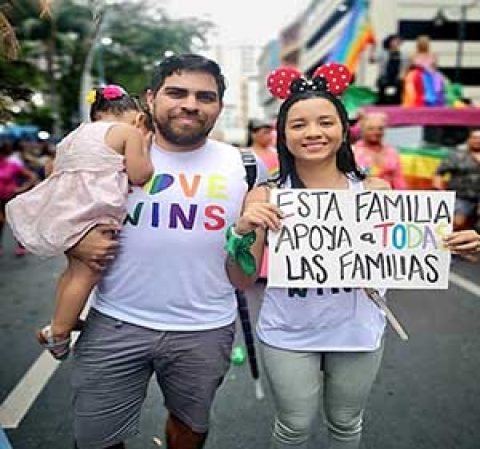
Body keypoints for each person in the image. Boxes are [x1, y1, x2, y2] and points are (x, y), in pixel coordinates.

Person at [225, 62, 480, 449]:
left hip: (357, 330)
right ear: (283, 134)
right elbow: (240, 279)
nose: (313, 132)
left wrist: (453, 244)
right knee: (292, 427)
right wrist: (242, 233)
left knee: (346, 424)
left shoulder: (376, 189)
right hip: (288, 331)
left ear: (344, 130)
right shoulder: (264, 196)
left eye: (325, 122)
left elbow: (407, 249)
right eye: (298, 125)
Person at [64, 54, 249, 449]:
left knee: (189, 430)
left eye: (205, 96)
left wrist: (365, 185)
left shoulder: (245, 164)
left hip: (205, 329)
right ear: (151, 98)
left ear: (219, 106)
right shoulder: (108, 154)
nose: (191, 104)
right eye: (176, 92)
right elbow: (53, 213)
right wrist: (75, 241)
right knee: (94, 439)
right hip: (114, 321)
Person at [6, 84, 153, 360]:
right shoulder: (128, 132)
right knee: (88, 273)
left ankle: (64, 318)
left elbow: (51, 169)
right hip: (95, 213)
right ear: (135, 115)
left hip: (67, 213)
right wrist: (142, 144)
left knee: (73, 270)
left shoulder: (73, 137)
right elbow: (140, 174)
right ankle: (58, 333)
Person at [245, 118, 279, 278]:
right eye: (264, 132)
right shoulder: (248, 158)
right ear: (253, 134)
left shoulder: (277, 155)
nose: (268, 136)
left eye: (270, 132)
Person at [433, 129, 480, 231]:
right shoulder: (457, 155)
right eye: (475, 138)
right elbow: (439, 173)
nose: (477, 141)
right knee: (456, 223)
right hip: (461, 196)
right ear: (469, 139)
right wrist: (440, 191)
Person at [0, 141, 37, 256]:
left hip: (10, 198)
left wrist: (21, 189)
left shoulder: (12, 165)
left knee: (15, 223)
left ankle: (21, 245)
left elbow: (32, 176)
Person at [353, 111, 407, 189]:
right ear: (362, 130)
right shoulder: (354, 152)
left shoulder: (392, 152)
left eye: (380, 129)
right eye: (371, 129)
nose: (376, 132)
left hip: (389, 196)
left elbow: (398, 179)